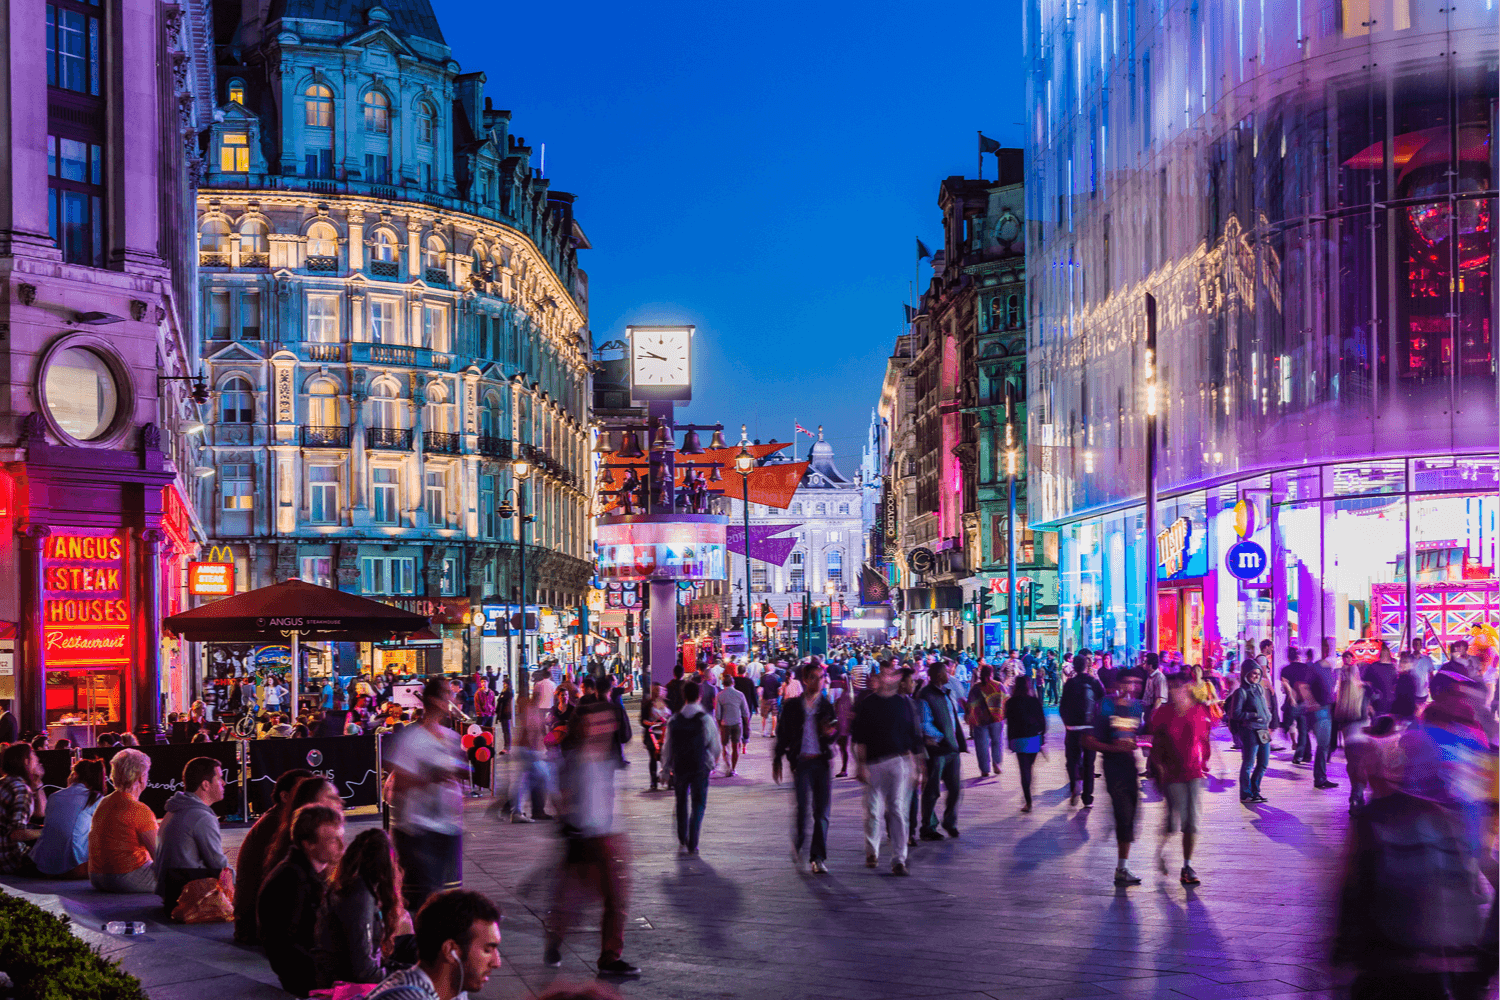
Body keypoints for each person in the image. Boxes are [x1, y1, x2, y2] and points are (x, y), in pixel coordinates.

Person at [545, 687, 641, 977]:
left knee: (614, 898)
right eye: (596, 722)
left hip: (605, 836)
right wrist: (570, 820)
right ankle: (556, 939)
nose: (603, 727)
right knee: (572, 900)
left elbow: (610, 796)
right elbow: (560, 796)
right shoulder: (573, 758)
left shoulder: (607, 755)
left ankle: (609, 957)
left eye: (606, 721)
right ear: (583, 725)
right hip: (583, 837)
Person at [385, 677, 468, 911]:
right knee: (424, 899)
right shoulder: (412, 739)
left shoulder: (450, 737)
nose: (451, 699)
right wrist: (431, 777)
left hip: (448, 826)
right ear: (434, 700)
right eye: (446, 695)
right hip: (418, 830)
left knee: (445, 896)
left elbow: (457, 772)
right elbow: (399, 783)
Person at [260, 804, 345, 997]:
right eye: (333, 840)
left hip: (314, 969)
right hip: (310, 976)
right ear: (308, 843)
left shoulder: (303, 873)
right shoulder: (292, 879)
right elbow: (284, 944)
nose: (341, 846)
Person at [314, 828, 413, 988]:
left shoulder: (356, 887)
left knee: (415, 946)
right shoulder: (359, 897)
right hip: (344, 983)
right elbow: (365, 971)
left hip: (349, 972)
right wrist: (408, 976)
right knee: (424, 973)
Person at [367, 889, 503, 1000]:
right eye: (487, 950)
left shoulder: (455, 991)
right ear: (451, 951)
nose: (497, 962)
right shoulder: (409, 997)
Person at [851, 665, 920, 874]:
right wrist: (860, 764)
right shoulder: (867, 704)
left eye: (892, 675)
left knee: (897, 810)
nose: (888, 678)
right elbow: (859, 738)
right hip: (873, 762)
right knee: (873, 810)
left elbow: (913, 737)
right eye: (884, 675)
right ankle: (872, 851)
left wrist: (917, 766)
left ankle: (899, 859)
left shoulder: (904, 704)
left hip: (899, 761)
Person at [234, 767, 313, 942]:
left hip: (257, 921)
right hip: (260, 926)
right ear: (285, 797)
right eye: (304, 792)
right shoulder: (279, 825)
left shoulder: (280, 820)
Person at [1082, 671, 1146, 886]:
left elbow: (1139, 734)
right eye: (1129, 682)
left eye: (1137, 682)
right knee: (1124, 812)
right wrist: (1113, 747)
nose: (1134, 686)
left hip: (1130, 765)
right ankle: (1122, 867)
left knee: (1131, 815)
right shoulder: (1106, 705)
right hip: (1112, 765)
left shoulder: (1137, 707)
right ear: (1119, 683)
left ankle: (1123, 865)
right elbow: (1088, 740)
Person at [773, 661, 837, 873]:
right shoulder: (792, 706)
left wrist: (830, 733)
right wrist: (778, 759)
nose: (819, 682)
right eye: (815, 678)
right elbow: (782, 734)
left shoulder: (826, 705)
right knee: (802, 809)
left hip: (821, 761)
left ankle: (817, 857)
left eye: (821, 678)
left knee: (822, 812)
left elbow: (833, 731)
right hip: (801, 762)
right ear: (805, 680)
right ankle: (799, 841)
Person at [1148, 675, 1212, 885]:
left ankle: (1187, 865)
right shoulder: (1163, 713)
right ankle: (1161, 851)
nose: (1178, 692)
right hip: (1171, 774)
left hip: (1193, 773)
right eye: (1173, 687)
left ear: (1189, 688)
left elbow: (1204, 738)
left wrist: (1207, 763)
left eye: (1182, 687)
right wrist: (1159, 768)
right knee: (1173, 822)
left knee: (1191, 822)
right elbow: (1155, 743)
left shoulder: (1198, 710)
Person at [154, 756, 231, 913]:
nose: (224, 783)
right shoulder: (201, 816)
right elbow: (218, 863)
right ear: (205, 785)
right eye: (220, 779)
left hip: (168, 890)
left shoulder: (175, 809)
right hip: (186, 893)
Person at [88, 749, 158, 892]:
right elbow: (160, 855)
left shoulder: (104, 802)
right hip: (125, 877)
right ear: (141, 777)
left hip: (96, 877)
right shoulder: (139, 810)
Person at [662, 681, 720, 854]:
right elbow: (715, 746)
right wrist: (712, 763)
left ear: (683, 696)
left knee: (680, 802)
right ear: (700, 696)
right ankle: (693, 841)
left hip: (680, 766)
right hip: (699, 766)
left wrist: (665, 769)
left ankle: (682, 836)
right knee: (698, 803)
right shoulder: (706, 719)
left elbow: (667, 747)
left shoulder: (674, 720)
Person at [32, 758, 106, 878]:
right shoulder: (97, 799)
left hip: (44, 865)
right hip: (76, 866)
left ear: (74, 775)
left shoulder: (53, 796)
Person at [1060, 652, 1104, 807]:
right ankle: (1087, 797)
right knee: (1089, 763)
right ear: (1086, 666)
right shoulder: (1093, 681)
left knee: (1072, 760)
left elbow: (1062, 706)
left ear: (1074, 667)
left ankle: (1074, 785)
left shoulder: (1069, 684)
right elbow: (1102, 699)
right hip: (1090, 728)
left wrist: (1067, 724)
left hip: (1073, 728)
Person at [1224, 663, 1273, 804]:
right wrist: (1253, 715)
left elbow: (1264, 707)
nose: (1256, 676)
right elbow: (1235, 713)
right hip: (1250, 730)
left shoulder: (1258, 688)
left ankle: (1255, 791)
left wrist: (1268, 716)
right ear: (1246, 674)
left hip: (1263, 729)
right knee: (1248, 763)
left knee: (1263, 762)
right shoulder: (1241, 692)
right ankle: (1245, 794)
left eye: (1258, 674)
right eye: (1253, 673)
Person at [1003, 675, 1047, 813]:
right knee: (1029, 767)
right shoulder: (1034, 701)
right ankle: (1028, 791)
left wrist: (1009, 740)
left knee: (1024, 769)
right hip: (1033, 739)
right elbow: (1042, 720)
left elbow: (1008, 722)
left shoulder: (1010, 702)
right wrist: (1042, 737)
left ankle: (1028, 801)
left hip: (1018, 739)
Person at [0, 742, 45, 874]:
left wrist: (37, 783)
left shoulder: (5, 782)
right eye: (34, 756)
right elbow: (16, 833)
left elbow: (40, 813)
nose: (38, 760)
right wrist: (48, 833)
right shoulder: (20, 789)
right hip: (9, 858)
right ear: (26, 761)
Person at [966, 665, 1006, 779]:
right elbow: (1006, 700)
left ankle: (984, 770)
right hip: (996, 719)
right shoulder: (998, 686)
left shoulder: (976, 687)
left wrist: (970, 717)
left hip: (980, 720)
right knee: (997, 742)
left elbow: (970, 703)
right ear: (992, 673)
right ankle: (996, 764)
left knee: (981, 744)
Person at [711, 668, 749, 777]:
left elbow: (717, 713)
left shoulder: (720, 695)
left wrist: (719, 725)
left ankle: (727, 765)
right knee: (735, 746)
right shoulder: (740, 694)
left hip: (725, 723)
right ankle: (733, 768)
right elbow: (745, 712)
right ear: (733, 683)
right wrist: (747, 725)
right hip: (737, 722)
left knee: (725, 746)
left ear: (723, 684)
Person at [640, 684, 670, 792]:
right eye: (656, 690)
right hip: (652, 735)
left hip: (665, 735)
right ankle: (653, 781)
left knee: (666, 758)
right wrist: (653, 723)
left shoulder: (668, 703)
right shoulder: (648, 704)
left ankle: (668, 779)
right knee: (653, 757)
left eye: (661, 690)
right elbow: (643, 720)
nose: (659, 692)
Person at [496, 677, 514, 754]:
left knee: (506, 731)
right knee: (505, 731)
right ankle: (507, 747)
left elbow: (500, 699)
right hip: (504, 713)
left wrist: (502, 695)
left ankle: (507, 748)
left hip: (505, 713)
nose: (504, 685)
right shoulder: (506, 691)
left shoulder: (508, 692)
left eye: (504, 684)